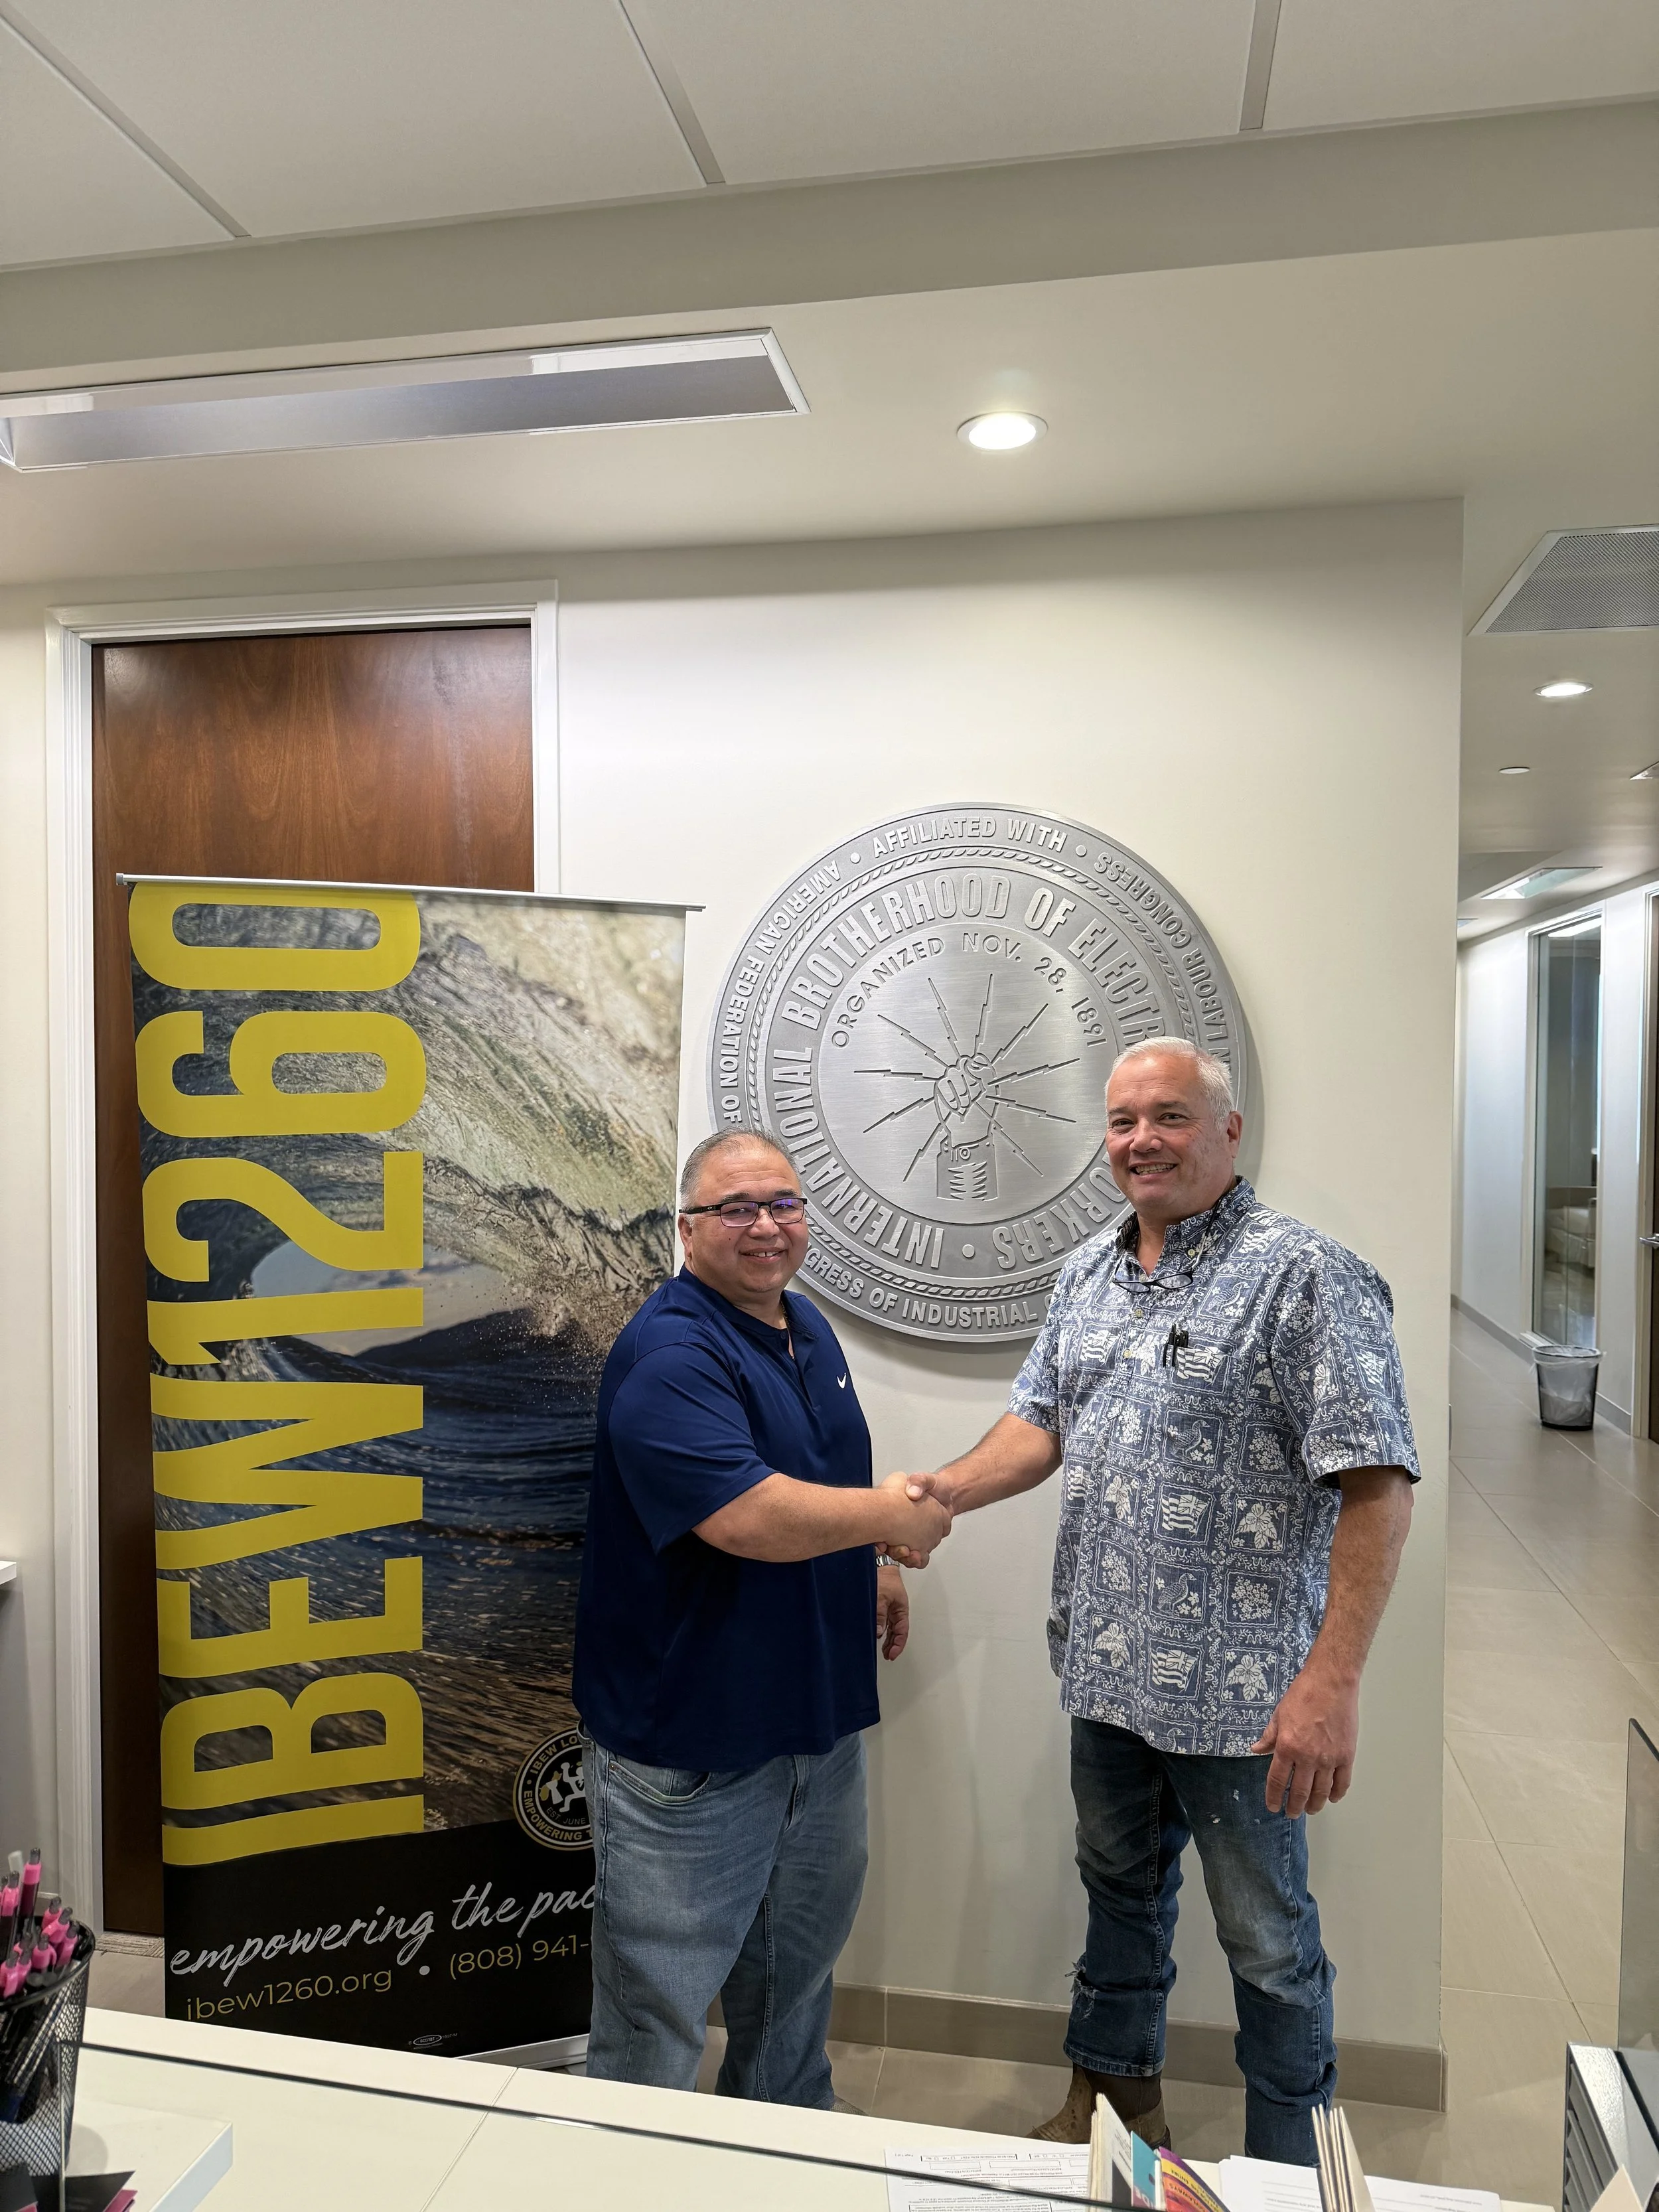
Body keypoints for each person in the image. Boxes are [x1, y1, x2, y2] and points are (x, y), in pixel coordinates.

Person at [902, 1038, 1417, 2163]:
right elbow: (1040, 1424)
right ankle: (1110, 2121)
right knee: (1119, 1902)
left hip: (1248, 1704)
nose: (1144, 1140)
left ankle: (1291, 2172)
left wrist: (1331, 1682)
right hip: (1108, 1673)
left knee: (1270, 1948)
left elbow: (1378, 1486)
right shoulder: (1088, 1273)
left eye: (1171, 1117)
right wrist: (936, 1494)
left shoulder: (1307, 1276)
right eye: (1125, 1120)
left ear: (1228, 1133)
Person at [572, 1128, 952, 2106]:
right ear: (687, 1229)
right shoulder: (669, 1354)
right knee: (656, 2018)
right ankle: (626, 2179)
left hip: (813, 1733)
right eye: (735, 1208)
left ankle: (785, 2166)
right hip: (690, 1757)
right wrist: (898, 1515)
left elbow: (820, 1471)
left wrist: (872, 1557)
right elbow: (749, 1517)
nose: (765, 1226)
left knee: (792, 2000)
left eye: (781, 1203)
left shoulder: (803, 1327)